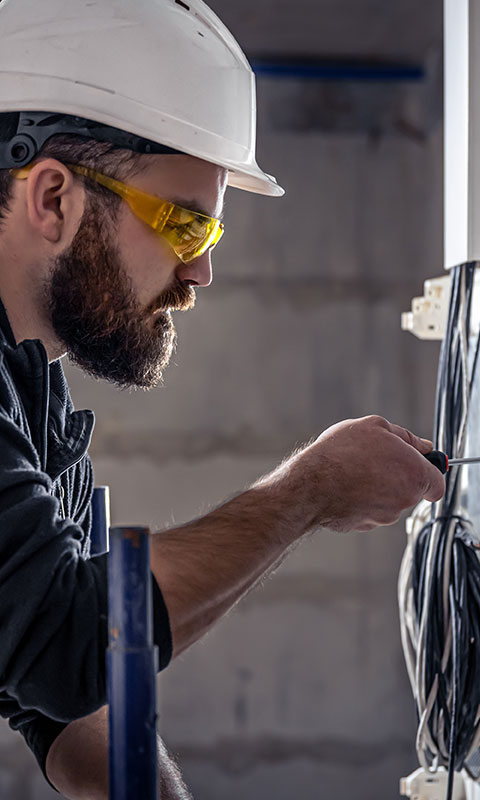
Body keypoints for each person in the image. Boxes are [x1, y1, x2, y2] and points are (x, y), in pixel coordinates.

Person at [0, 0, 445, 797]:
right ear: (54, 200)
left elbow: (44, 689)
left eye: (210, 239)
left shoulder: (33, 396)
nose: (200, 272)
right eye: (182, 226)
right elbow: (60, 642)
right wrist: (305, 491)